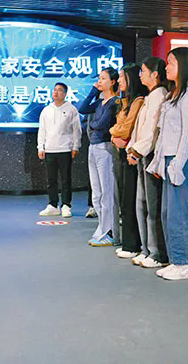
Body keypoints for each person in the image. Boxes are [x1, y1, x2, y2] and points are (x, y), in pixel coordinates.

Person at [147, 48, 188, 280]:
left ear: (184, 65)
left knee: (181, 214)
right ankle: (176, 259)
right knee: (168, 213)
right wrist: (159, 162)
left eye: (171, 62)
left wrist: (178, 163)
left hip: (182, 161)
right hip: (170, 159)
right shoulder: (173, 94)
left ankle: (185, 262)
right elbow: (163, 134)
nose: (166, 67)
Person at [127, 57, 169, 269]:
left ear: (155, 74)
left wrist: (137, 150)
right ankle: (147, 249)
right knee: (141, 204)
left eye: (144, 71)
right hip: (142, 154)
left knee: (152, 207)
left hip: (150, 155)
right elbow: (140, 128)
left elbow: (152, 131)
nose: (140, 74)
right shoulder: (151, 96)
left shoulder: (159, 95)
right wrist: (132, 149)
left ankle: (157, 252)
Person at [78, 67, 119, 247]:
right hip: (93, 148)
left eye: (103, 78)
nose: (99, 81)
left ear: (113, 82)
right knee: (96, 193)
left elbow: (101, 124)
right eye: (99, 78)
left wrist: (93, 124)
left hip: (105, 147)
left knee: (106, 192)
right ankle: (101, 227)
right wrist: (93, 91)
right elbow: (83, 108)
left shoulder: (115, 102)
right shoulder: (99, 102)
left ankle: (109, 231)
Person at [110, 63, 147, 258]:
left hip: (133, 155)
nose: (119, 81)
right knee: (125, 199)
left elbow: (125, 130)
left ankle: (133, 245)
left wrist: (113, 132)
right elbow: (118, 128)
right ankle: (129, 244)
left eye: (122, 77)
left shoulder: (138, 101)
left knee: (131, 201)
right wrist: (114, 134)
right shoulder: (126, 102)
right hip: (123, 154)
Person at [37, 82, 82, 218]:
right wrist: (41, 147)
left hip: (65, 149)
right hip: (50, 149)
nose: (56, 92)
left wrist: (76, 146)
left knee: (66, 180)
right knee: (51, 180)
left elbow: (76, 130)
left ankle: (66, 205)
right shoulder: (46, 110)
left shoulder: (71, 109)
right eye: (54, 90)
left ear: (65, 94)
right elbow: (42, 130)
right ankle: (53, 205)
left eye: (60, 90)